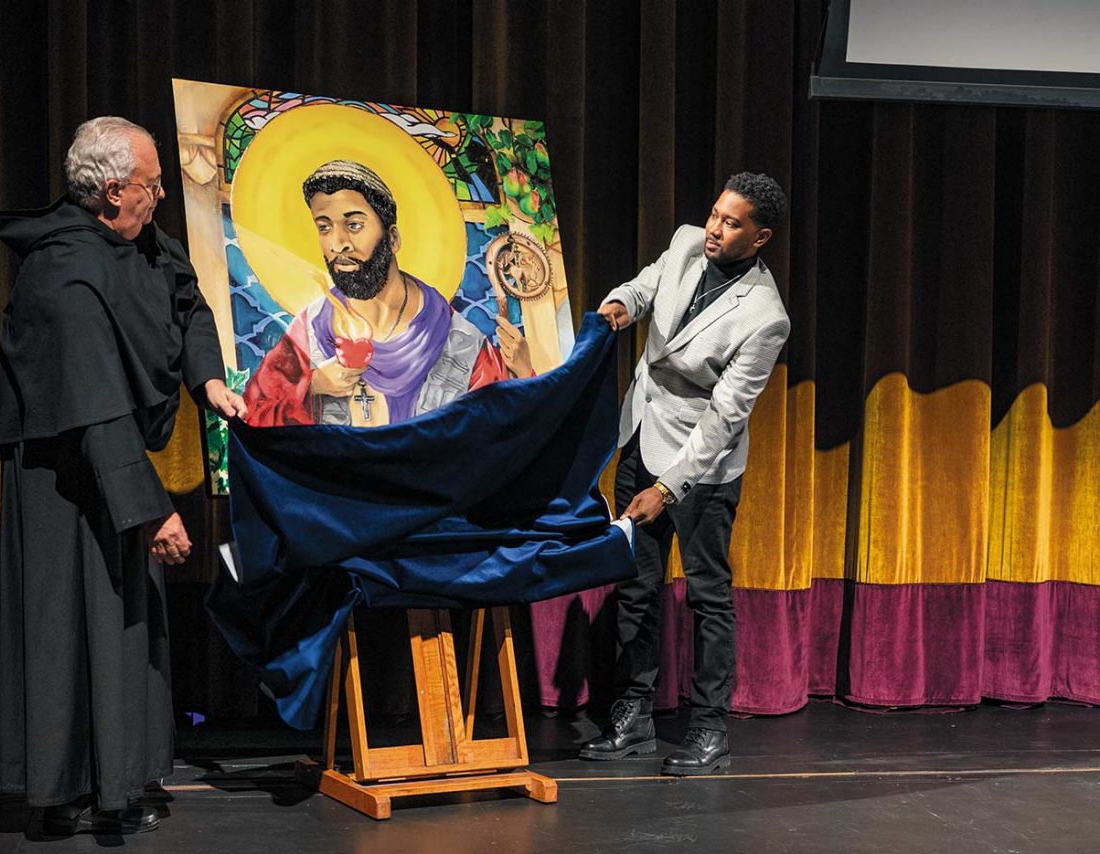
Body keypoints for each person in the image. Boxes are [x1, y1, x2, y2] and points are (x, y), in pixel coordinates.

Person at [0, 116, 247, 834]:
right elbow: (95, 405)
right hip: (61, 478)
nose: (160, 196)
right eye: (150, 185)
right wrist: (152, 510)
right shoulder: (62, 273)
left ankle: (117, 781)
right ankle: (57, 791)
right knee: (67, 628)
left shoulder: (141, 242)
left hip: (117, 457)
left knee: (121, 624)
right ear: (109, 192)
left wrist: (207, 381)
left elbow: (189, 302)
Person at [579, 173, 791, 775]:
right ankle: (634, 716)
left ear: (760, 237)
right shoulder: (685, 241)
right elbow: (647, 286)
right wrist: (622, 305)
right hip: (642, 434)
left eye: (731, 223)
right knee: (636, 585)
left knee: (707, 596)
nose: (714, 229)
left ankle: (709, 728)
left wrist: (667, 487)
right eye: (714, 214)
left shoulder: (765, 317)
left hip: (702, 469)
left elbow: (725, 417)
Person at [244, 159, 532, 427]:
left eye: (354, 225)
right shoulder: (309, 331)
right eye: (324, 227)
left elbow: (505, 431)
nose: (337, 243)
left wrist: (524, 373)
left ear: (392, 238)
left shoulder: (460, 341)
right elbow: (252, 416)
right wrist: (313, 386)